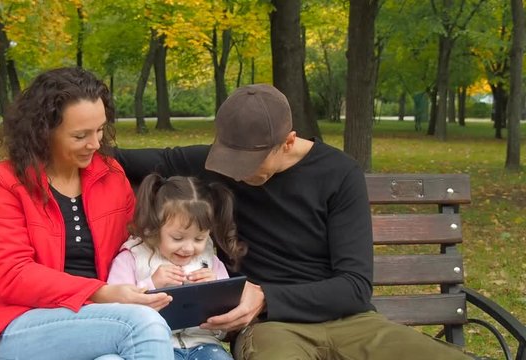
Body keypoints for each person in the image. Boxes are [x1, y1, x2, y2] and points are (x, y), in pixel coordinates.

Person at [115, 84, 472, 359]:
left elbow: (354, 286)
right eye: (230, 160)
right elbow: (119, 158)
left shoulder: (338, 173)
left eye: (250, 164)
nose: (236, 173)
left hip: (352, 322)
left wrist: (265, 295)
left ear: (287, 142)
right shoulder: (217, 164)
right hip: (272, 330)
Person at [0, 67, 173, 360]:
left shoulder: (110, 174)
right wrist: (101, 293)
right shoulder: (5, 182)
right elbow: (12, 274)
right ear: (44, 132)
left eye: (99, 130)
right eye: (80, 135)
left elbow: (135, 244)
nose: (95, 144)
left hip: (103, 319)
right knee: (142, 325)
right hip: (25, 324)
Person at [107, 173, 246, 360]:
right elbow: (115, 310)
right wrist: (151, 284)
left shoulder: (210, 261)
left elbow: (228, 318)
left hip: (204, 344)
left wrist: (215, 290)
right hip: (155, 345)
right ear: (155, 226)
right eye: (177, 238)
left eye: (199, 238)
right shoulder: (131, 257)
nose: (188, 248)